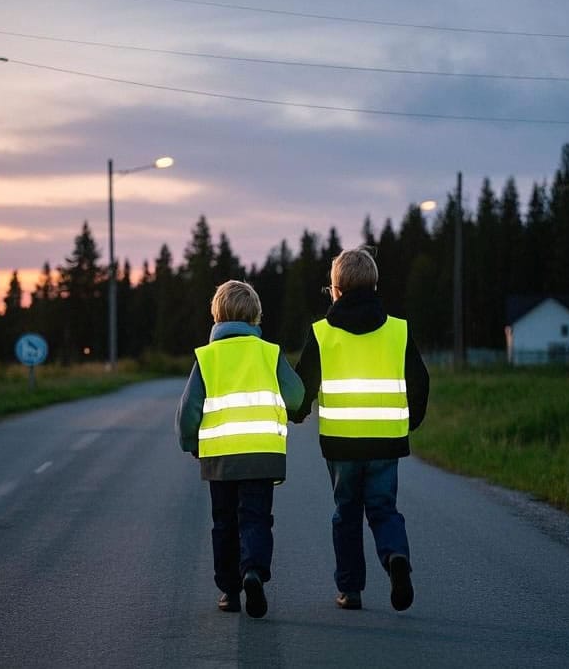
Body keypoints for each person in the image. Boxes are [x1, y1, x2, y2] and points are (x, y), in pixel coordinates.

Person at [291, 247, 429, 611]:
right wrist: (410, 420)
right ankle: (396, 557)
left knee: (346, 514)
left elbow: (304, 385)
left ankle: (350, 590)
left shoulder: (322, 334)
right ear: (375, 285)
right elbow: (419, 381)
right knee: (384, 509)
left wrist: (299, 412)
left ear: (335, 289)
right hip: (386, 443)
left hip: (341, 446)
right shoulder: (397, 331)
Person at [177, 280, 304, 619]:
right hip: (262, 455)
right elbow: (295, 397)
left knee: (224, 522)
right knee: (257, 517)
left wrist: (191, 442)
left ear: (216, 315)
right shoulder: (269, 353)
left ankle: (230, 591)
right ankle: (254, 571)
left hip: (220, 459)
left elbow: (189, 409)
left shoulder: (207, 358)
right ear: (256, 316)